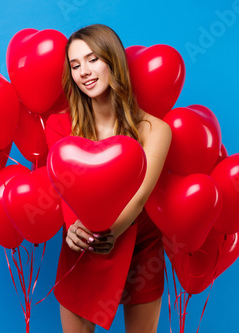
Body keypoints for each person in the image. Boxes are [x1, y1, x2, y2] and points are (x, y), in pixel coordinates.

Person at [45, 24, 172, 333]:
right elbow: (66, 190)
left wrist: (108, 232)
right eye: (75, 65)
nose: (84, 72)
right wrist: (80, 234)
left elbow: (140, 197)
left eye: (92, 59)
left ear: (112, 61)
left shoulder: (155, 129)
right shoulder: (60, 126)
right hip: (84, 244)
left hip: (139, 245)